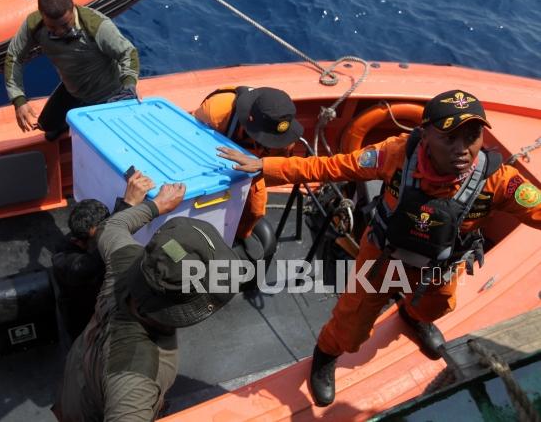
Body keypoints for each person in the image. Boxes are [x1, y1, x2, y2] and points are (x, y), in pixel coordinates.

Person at [218, 89, 541, 407]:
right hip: (382, 261)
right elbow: (332, 167)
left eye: (471, 136)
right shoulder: (396, 154)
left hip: (437, 268)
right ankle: (326, 354)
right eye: (449, 137)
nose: (463, 149)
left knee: (436, 307)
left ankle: (413, 315)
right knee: (350, 326)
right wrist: (267, 167)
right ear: (425, 133)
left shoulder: (499, 180)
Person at [53, 182, 239, 420]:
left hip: (79, 372)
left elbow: (112, 226)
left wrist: (157, 205)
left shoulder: (124, 262)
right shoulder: (135, 376)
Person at [4, 0, 139, 140]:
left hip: (109, 94)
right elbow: (14, 56)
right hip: (74, 90)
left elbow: (128, 53)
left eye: (65, 25)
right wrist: (18, 100)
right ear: (42, 15)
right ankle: (69, 120)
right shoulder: (34, 24)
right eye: (52, 28)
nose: (60, 32)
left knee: (99, 140)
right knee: (47, 126)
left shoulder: (97, 26)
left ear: (73, 8)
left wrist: (129, 86)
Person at [194, 86, 303, 261]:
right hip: (212, 160)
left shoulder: (286, 138)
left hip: (252, 167)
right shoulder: (216, 112)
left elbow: (276, 166)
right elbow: (194, 144)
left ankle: (240, 235)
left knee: (255, 208)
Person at [53, 169, 155, 340]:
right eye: (99, 238)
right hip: (84, 321)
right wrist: (128, 206)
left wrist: (127, 204)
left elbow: (110, 227)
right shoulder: (65, 262)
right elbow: (86, 266)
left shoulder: (96, 235)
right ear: (79, 242)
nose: (107, 238)